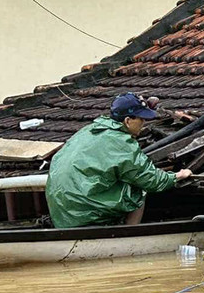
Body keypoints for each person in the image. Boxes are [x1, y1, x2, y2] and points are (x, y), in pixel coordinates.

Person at [46, 93, 192, 228]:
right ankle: (130, 232)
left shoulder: (88, 130)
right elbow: (151, 180)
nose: (144, 123)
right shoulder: (121, 142)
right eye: (141, 119)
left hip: (62, 214)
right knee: (138, 189)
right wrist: (177, 176)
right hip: (86, 212)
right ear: (128, 121)